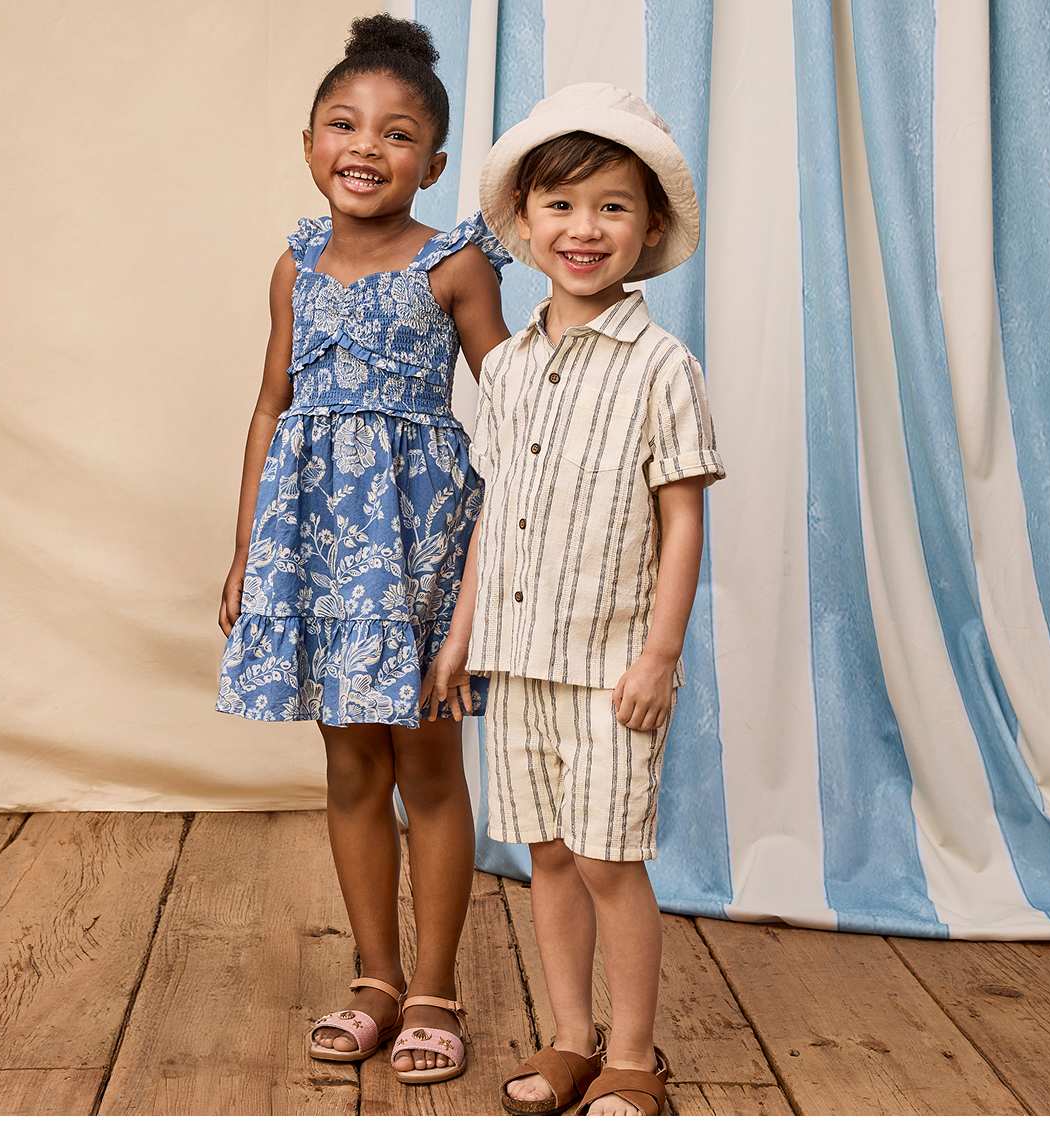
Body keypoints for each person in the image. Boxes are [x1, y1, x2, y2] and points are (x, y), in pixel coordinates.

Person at [216, 14, 510, 1085]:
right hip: (315, 550)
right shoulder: (296, 265)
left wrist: (501, 564)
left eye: (396, 134)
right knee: (348, 763)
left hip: (421, 544)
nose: (365, 147)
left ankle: (435, 985)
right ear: (307, 144)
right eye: (344, 124)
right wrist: (248, 550)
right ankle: (376, 977)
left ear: (430, 164)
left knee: (425, 762)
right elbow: (267, 408)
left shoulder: (456, 265)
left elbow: (515, 408)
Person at [427, 82, 726, 1115]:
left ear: (647, 230)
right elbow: (493, 512)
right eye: (561, 205)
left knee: (607, 860)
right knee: (547, 854)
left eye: (611, 206)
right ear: (522, 224)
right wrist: (462, 637)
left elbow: (682, 517)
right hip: (519, 663)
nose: (584, 228)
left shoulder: (660, 366)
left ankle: (634, 1055)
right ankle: (570, 1037)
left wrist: (661, 654)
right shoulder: (506, 369)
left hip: (610, 671)